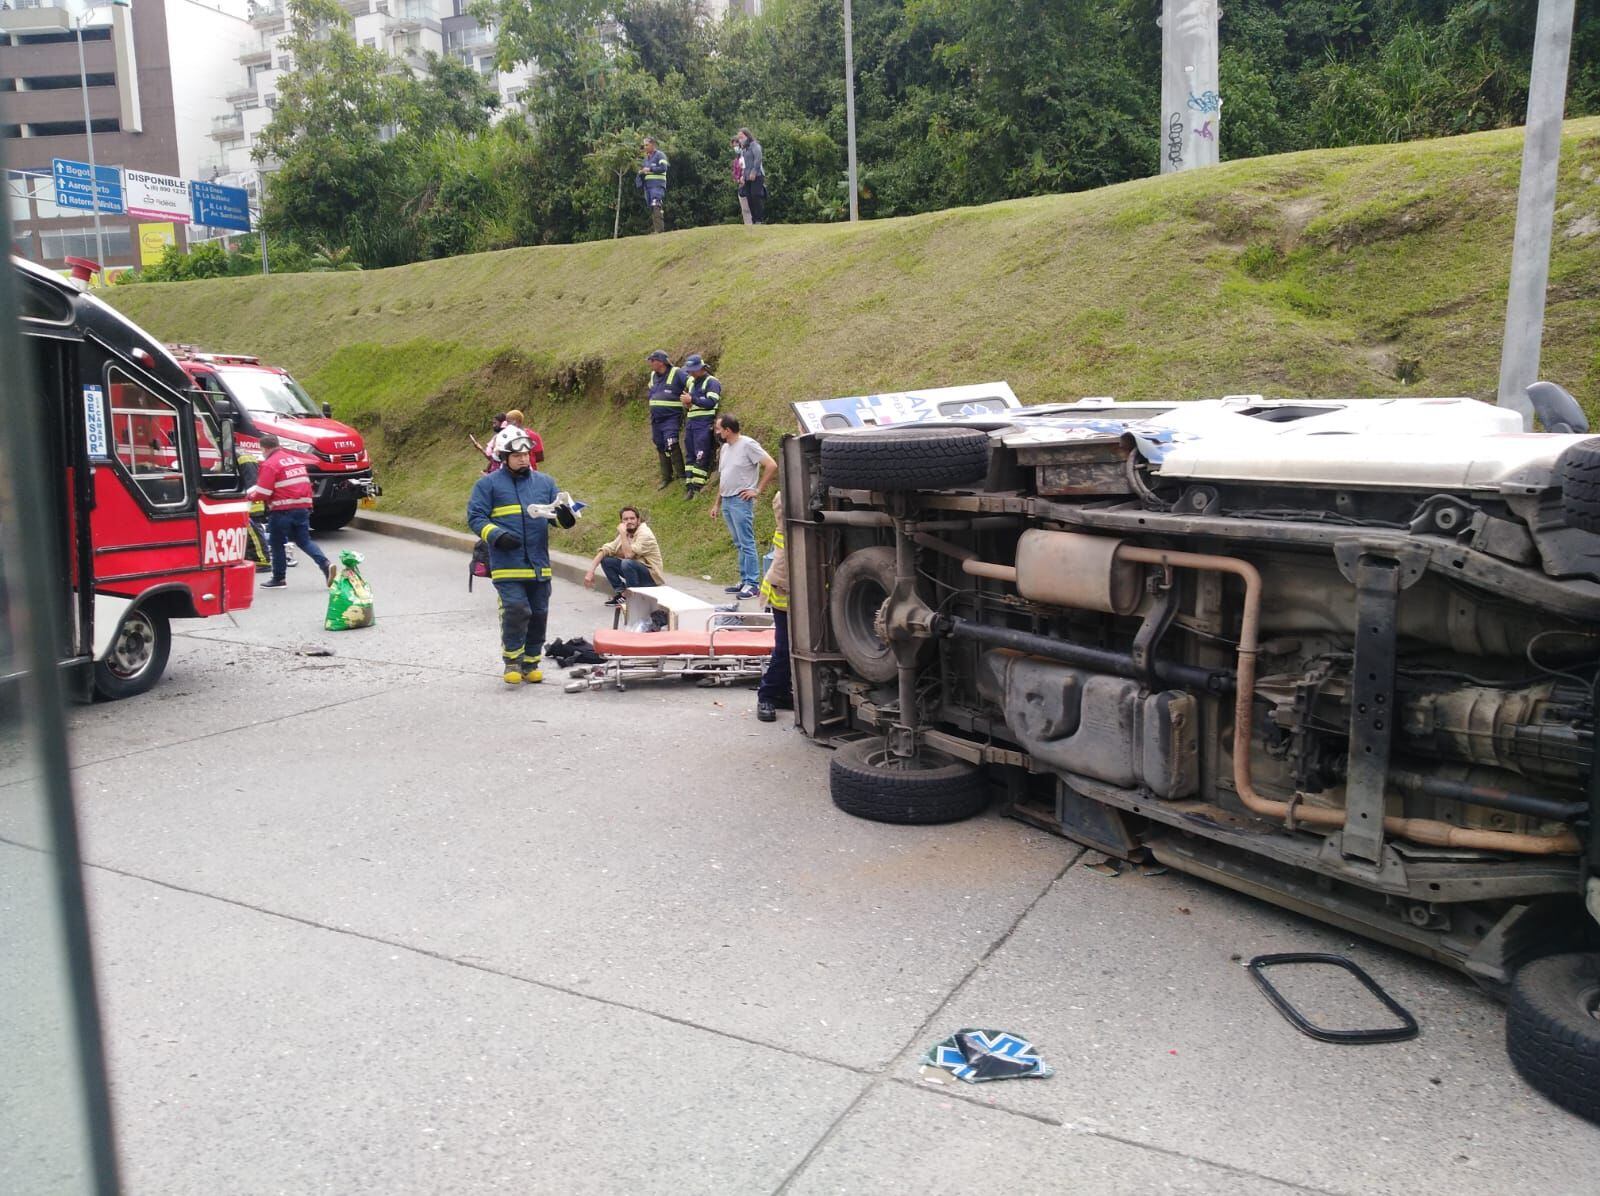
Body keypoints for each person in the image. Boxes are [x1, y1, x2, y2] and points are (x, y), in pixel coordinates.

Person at [466, 434, 574, 685]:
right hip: (506, 564)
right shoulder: (488, 485)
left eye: (527, 455)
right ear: (504, 457)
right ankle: (512, 662)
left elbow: (554, 515)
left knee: (538, 612)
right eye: (517, 455)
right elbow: (475, 517)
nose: (524, 459)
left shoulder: (545, 483)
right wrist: (497, 535)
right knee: (516, 608)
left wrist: (565, 518)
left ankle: (531, 662)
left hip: (538, 564)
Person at [249, 433, 333, 590]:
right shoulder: (295, 461)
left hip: (282, 511)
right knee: (304, 541)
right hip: (303, 508)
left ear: (264, 448)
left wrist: (248, 496)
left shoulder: (270, 464)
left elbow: (263, 492)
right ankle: (325, 564)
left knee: (276, 543)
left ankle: (278, 579)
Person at [708, 414, 776, 600]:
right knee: (738, 543)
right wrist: (716, 503)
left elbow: (770, 465)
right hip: (727, 500)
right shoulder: (724, 449)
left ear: (728, 430)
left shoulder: (748, 444)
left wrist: (757, 490)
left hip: (740, 500)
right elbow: (724, 477)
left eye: (719, 429)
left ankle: (753, 584)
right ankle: (744, 579)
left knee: (747, 542)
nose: (717, 432)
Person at [756, 490, 792, 722]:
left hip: (798, 588)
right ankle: (767, 695)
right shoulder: (786, 497)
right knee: (785, 648)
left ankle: (781, 692)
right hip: (784, 589)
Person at [584, 505, 665, 606]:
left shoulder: (645, 534)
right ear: (622, 522)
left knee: (627, 563)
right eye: (625, 519)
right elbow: (606, 549)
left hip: (651, 577)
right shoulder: (627, 533)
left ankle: (633, 599)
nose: (629, 521)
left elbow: (629, 555)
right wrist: (590, 572)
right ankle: (622, 594)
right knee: (606, 560)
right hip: (636, 572)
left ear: (638, 520)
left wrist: (622, 534)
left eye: (632, 518)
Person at [645, 349, 689, 489]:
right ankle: (666, 477)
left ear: (661, 362)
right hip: (656, 418)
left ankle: (681, 474)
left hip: (671, 416)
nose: (650, 363)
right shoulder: (653, 375)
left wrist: (691, 399)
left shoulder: (677, 372)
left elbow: (692, 383)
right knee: (659, 444)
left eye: (652, 361)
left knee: (672, 442)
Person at [681, 354, 722, 499]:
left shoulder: (712, 382)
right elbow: (695, 404)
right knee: (690, 453)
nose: (690, 373)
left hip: (703, 422)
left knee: (701, 453)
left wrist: (693, 399)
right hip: (691, 422)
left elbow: (711, 402)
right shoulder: (692, 383)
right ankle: (689, 484)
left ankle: (698, 486)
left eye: (692, 370)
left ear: (701, 368)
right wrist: (687, 404)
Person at [637, 136, 669, 235]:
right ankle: (657, 229)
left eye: (647, 145)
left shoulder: (660, 155)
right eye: (644, 145)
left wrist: (650, 169)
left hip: (657, 185)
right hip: (648, 187)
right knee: (652, 206)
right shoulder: (646, 159)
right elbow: (643, 171)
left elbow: (664, 168)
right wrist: (641, 173)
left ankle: (659, 230)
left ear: (653, 145)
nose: (645, 147)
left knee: (656, 203)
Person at [736, 128, 766, 225]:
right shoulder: (743, 149)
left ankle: (759, 219)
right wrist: (742, 175)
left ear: (747, 136)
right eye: (739, 138)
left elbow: (758, 159)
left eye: (742, 137)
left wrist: (754, 172)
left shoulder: (754, 145)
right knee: (749, 197)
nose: (740, 139)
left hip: (757, 175)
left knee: (755, 195)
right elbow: (743, 164)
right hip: (747, 176)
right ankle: (753, 219)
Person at [731, 137, 752, 226]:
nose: (735, 148)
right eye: (734, 146)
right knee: (744, 209)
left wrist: (744, 177)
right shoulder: (736, 161)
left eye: (736, 145)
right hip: (741, 186)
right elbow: (734, 174)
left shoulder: (747, 156)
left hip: (749, 183)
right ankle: (748, 225)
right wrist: (738, 179)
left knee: (752, 206)